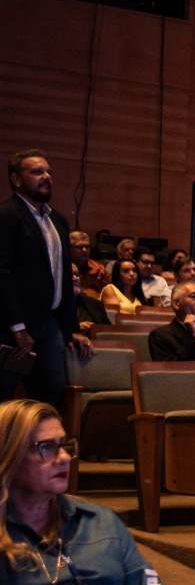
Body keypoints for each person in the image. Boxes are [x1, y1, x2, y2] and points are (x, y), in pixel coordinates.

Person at [0, 400, 186, 585]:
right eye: (46, 448)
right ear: (8, 456)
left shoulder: (100, 521)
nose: (64, 458)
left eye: (65, 446)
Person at [1, 150, 93, 407]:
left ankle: (43, 446)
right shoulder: (7, 215)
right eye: (37, 172)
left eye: (49, 172)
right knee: (5, 397)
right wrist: (17, 327)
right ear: (17, 179)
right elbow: (2, 275)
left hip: (50, 324)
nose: (47, 177)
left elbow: (63, 277)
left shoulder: (58, 221)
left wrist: (71, 328)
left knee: (50, 396)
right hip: (12, 327)